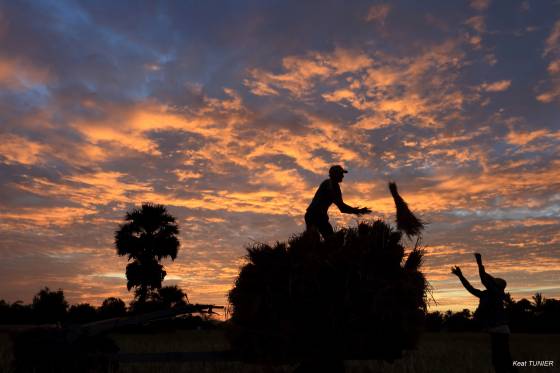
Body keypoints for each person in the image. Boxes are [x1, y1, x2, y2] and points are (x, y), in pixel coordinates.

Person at [451, 253, 518, 373]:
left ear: (498, 286)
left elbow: (484, 280)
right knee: (499, 361)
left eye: (493, 282)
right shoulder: (486, 294)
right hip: (496, 331)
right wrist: (460, 276)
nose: (490, 282)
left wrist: (479, 263)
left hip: (500, 331)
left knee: (502, 361)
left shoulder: (497, 294)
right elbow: (470, 288)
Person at [305, 165, 371, 239]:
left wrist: (357, 211)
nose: (342, 176)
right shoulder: (328, 183)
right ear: (335, 174)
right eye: (341, 173)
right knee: (316, 238)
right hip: (314, 214)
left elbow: (342, 207)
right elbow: (342, 207)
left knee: (328, 239)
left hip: (320, 216)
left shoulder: (335, 187)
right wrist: (357, 211)